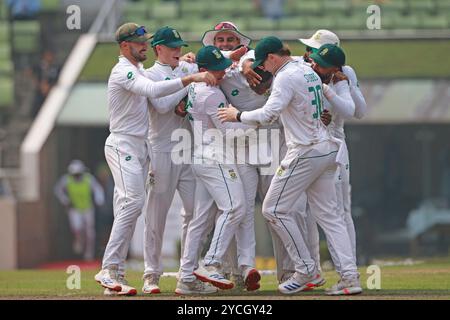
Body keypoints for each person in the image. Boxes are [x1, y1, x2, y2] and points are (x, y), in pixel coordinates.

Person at [218, 36, 360, 295]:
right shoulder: (306, 70)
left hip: (305, 151)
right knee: (330, 217)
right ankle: (350, 278)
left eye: (264, 63)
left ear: (273, 57)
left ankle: (306, 269)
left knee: (272, 209)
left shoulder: (285, 76)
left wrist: (236, 115)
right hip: (327, 148)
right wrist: (245, 63)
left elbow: (268, 114)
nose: (263, 69)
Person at [94, 22, 217, 296]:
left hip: (146, 148)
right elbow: (155, 96)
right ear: (124, 46)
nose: (145, 46)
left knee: (131, 207)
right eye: (140, 43)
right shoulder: (124, 70)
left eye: (146, 42)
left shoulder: (139, 69)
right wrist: (189, 80)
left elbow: (212, 65)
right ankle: (116, 268)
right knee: (137, 205)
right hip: (126, 143)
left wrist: (190, 68)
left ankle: (118, 277)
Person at [176, 46, 257, 295]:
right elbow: (229, 131)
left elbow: (191, 65)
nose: (222, 72)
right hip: (216, 158)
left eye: (223, 67)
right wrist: (256, 120)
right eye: (217, 69)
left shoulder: (197, 86)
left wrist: (234, 61)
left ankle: (186, 277)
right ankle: (210, 263)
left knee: (200, 220)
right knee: (235, 207)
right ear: (202, 71)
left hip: (203, 156)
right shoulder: (211, 94)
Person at [141, 26, 199, 294]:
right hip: (161, 150)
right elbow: (162, 105)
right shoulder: (149, 75)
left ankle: (187, 274)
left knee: (195, 213)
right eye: (172, 46)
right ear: (158, 49)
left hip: (187, 149)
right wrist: (189, 83)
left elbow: (213, 63)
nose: (178, 51)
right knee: (156, 216)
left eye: (179, 46)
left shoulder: (186, 69)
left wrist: (190, 74)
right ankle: (151, 274)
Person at [54, 160, 105, 261]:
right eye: (74, 174)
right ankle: (79, 241)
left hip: (87, 208)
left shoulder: (88, 179)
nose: (76, 177)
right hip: (75, 209)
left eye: (78, 174)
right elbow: (58, 190)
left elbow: (97, 189)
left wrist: (99, 200)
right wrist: (65, 200)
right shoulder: (66, 180)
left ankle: (88, 253)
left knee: (89, 231)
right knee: (77, 228)